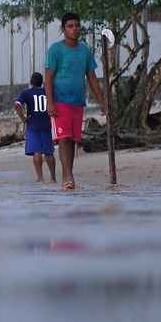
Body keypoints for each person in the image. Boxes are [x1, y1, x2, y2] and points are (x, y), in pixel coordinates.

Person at [45, 12, 108, 191]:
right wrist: (50, 102)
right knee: (63, 138)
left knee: (72, 140)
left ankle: (68, 173)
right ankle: (68, 176)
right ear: (63, 29)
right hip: (59, 101)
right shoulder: (55, 50)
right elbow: (48, 77)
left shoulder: (84, 50)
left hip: (77, 102)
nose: (74, 29)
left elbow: (92, 78)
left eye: (76, 25)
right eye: (70, 26)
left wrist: (102, 102)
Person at [15, 72, 56, 183]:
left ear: (31, 82)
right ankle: (53, 177)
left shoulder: (26, 93)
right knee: (49, 152)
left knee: (37, 151)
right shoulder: (47, 92)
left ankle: (40, 177)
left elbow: (17, 105)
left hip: (33, 125)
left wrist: (23, 119)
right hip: (47, 124)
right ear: (41, 82)